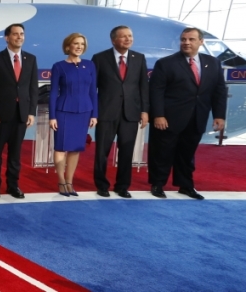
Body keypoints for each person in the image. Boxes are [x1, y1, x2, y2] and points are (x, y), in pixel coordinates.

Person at [148, 27, 227, 200]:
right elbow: (156, 91)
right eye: (183, 39)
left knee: (187, 154)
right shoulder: (166, 63)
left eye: (191, 39)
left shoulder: (213, 63)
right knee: (162, 153)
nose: (186, 42)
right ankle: (158, 184)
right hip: (168, 118)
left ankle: (185, 185)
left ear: (201, 42)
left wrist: (219, 115)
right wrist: (158, 115)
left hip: (197, 117)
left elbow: (219, 91)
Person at [91, 26, 149, 198]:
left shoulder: (139, 58)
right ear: (113, 40)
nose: (128, 39)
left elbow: (143, 87)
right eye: (123, 37)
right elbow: (91, 87)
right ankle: (101, 185)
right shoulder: (100, 58)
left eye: (130, 36)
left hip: (130, 113)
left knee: (127, 151)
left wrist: (145, 111)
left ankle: (122, 186)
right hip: (106, 112)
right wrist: (93, 112)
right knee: (102, 151)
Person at [0, 23, 38, 199]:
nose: (19, 37)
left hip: (21, 114)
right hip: (0, 115)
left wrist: (31, 112)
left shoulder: (31, 59)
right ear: (7, 37)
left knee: (15, 154)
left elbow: (32, 88)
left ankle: (13, 185)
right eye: (15, 34)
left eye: (22, 34)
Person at [49, 33, 98, 197]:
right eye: (76, 44)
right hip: (63, 111)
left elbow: (93, 92)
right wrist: (52, 116)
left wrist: (94, 114)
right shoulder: (58, 66)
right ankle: (61, 181)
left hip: (84, 111)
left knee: (76, 148)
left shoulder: (90, 65)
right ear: (68, 46)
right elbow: (53, 92)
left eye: (82, 44)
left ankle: (70, 182)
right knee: (61, 147)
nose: (79, 47)